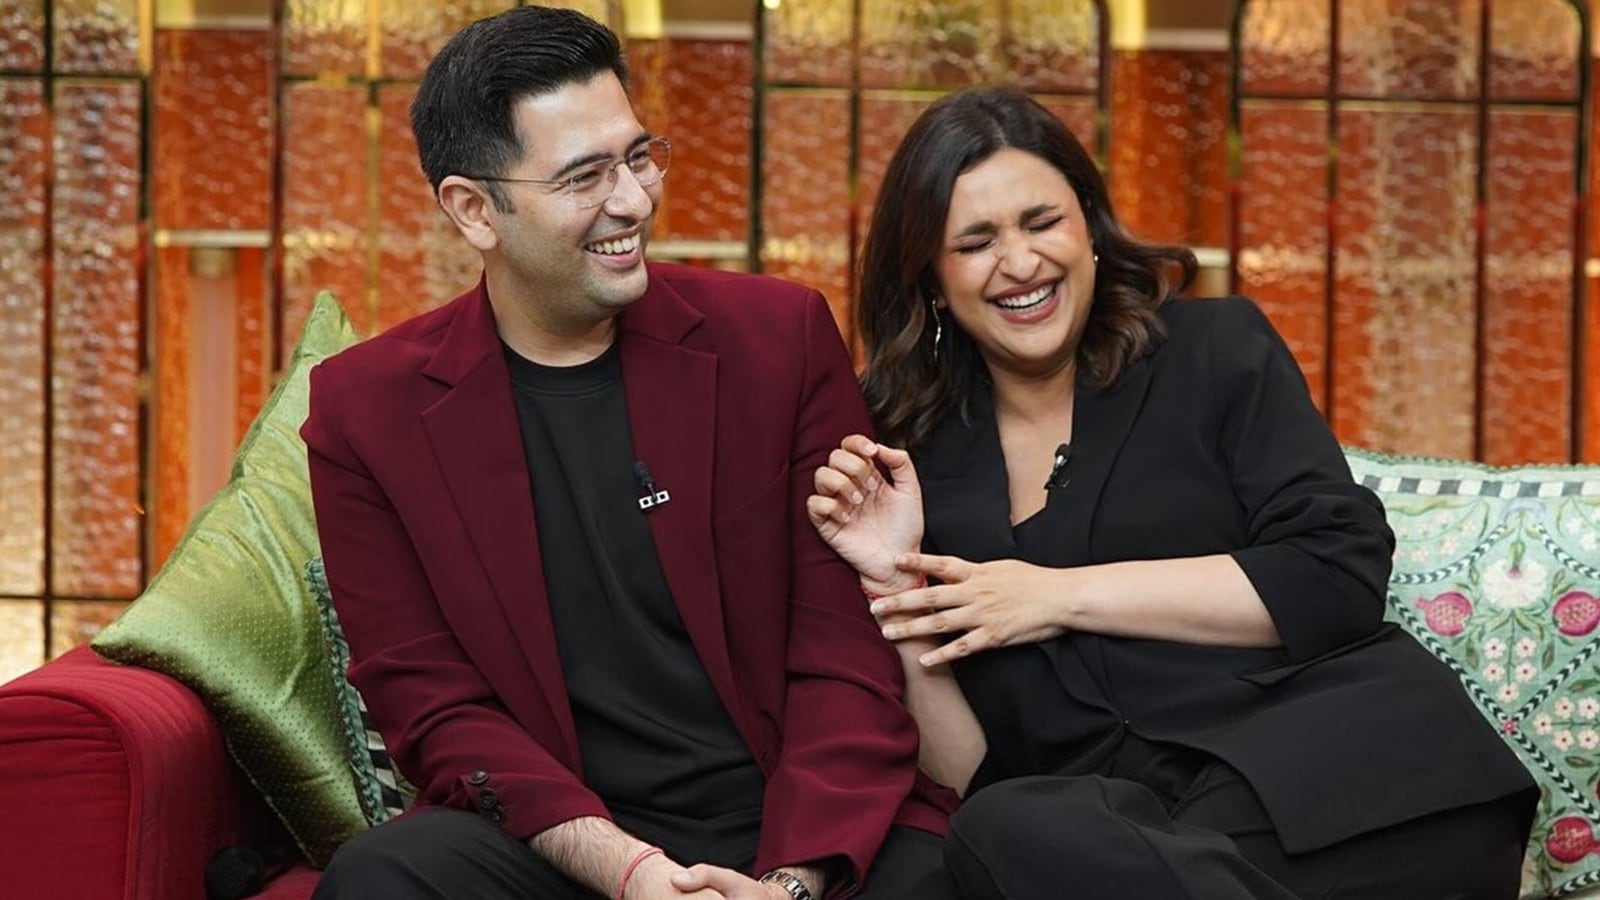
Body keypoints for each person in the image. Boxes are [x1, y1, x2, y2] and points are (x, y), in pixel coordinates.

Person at [807, 86, 1536, 900]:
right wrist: (894, 582)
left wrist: (1054, 597)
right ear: (933, 280)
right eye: (975, 242)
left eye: (1042, 223)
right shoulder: (909, 460)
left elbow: (1336, 573)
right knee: (995, 828)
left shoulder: (1214, 352)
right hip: (1147, 844)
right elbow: (973, 775)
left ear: (1089, 227)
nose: (1020, 262)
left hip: (1355, 773)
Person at [302, 7, 950, 899]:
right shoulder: (366, 410)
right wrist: (630, 872)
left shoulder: (778, 339)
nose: (634, 201)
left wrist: (790, 883)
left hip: (785, 813)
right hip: (567, 840)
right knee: (385, 875)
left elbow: (840, 651)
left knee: (955, 871)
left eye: (639, 157)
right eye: (585, 177)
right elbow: (431, 702)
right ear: (474, 210)